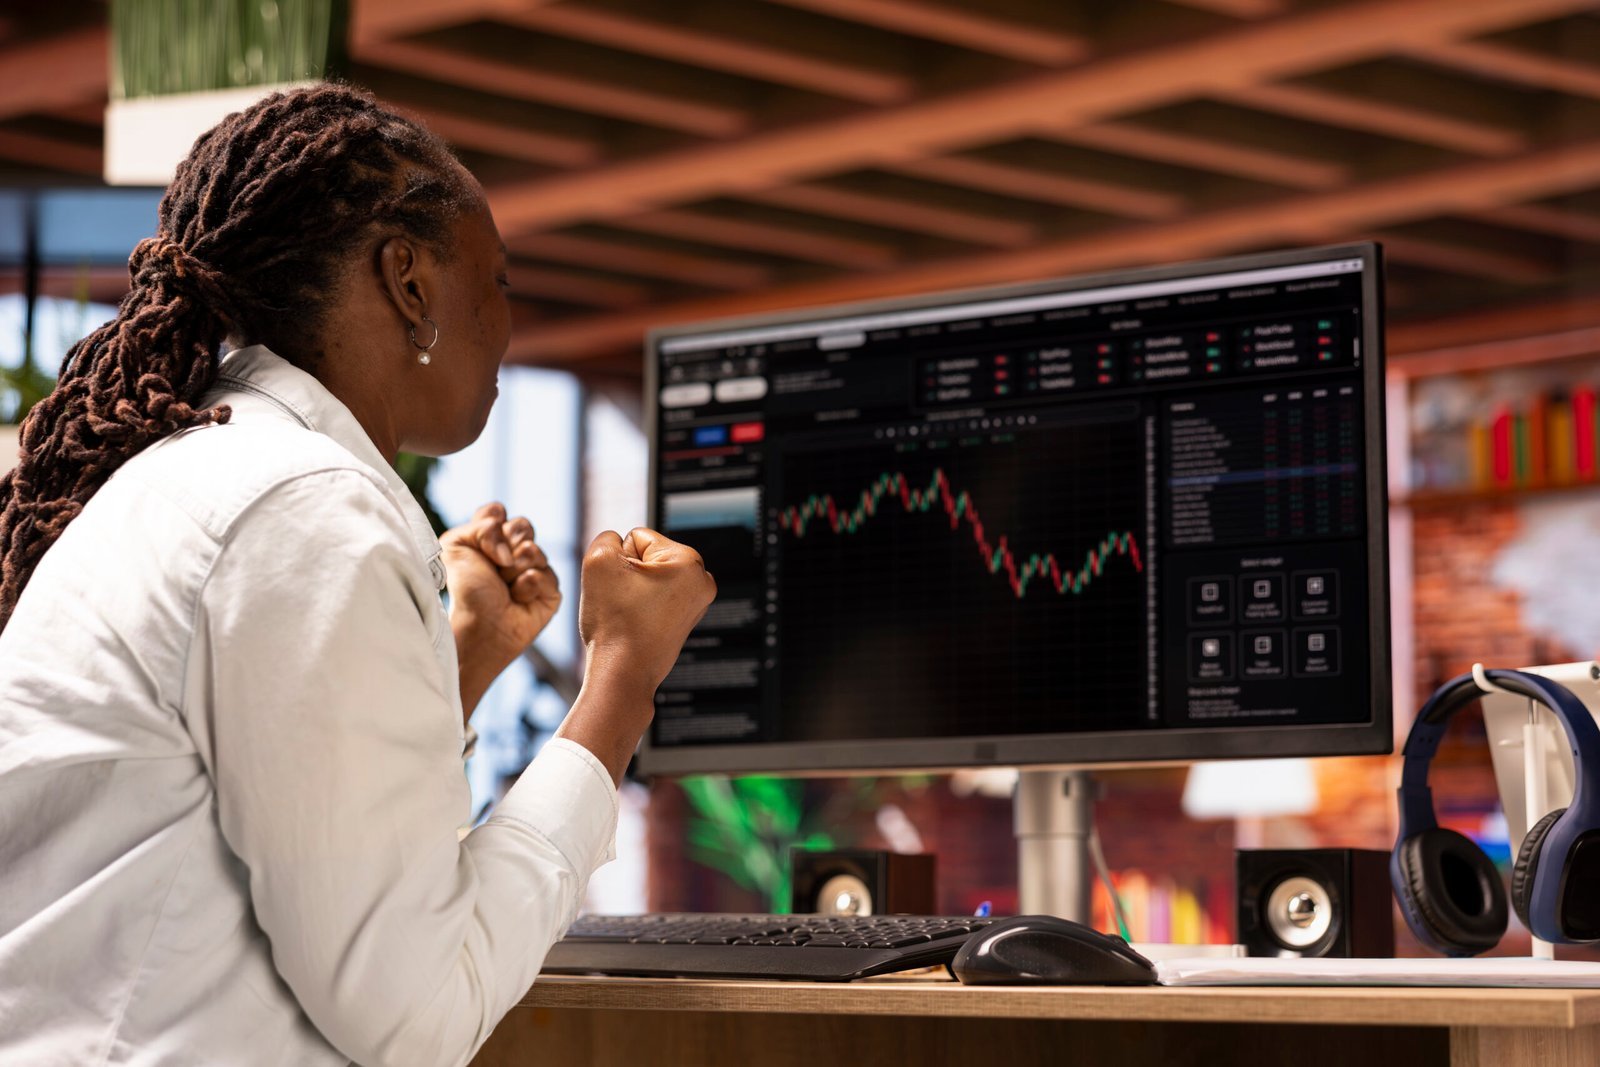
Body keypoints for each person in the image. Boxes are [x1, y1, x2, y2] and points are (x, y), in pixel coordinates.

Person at [0, 84, 714, 1066]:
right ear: (408, 282)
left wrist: (453, 662)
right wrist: (624, 675)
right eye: (495, 281)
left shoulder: (221, 471)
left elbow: (252, 820)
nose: (508, 324)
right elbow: (416, 1017)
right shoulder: (303, 509)